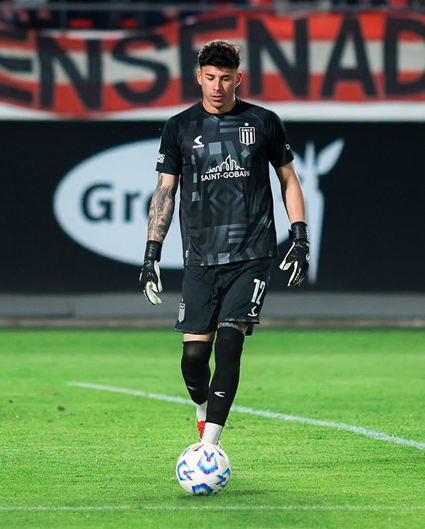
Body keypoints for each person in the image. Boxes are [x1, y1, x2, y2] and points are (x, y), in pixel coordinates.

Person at [139, 39, 309, 447]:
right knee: (194, 359)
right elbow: (165, 192)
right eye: (211, 77)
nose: (218, 86)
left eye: (226, 78)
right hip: (200, 256)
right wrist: (151, 254)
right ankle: (203, 409)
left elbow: (288, 179)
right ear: (199, 77)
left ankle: (209, 446)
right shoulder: (179, 127)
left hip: (253, 252)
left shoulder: (264, 121)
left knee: (230, 342)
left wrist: (300, 237)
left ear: (239, 79)